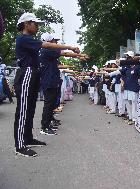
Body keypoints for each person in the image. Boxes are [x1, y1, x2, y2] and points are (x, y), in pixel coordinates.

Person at [14, 12, 80, 157]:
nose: (37, 26)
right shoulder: (23, 39)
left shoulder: (29, 40)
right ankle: (19, 145)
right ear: (26, 24)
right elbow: (47, 45)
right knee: (23, 110)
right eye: (35, 23)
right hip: (26, 74)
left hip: (33, 74)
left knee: (30, 109)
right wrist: (70, 47)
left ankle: (28, 138)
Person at [39, 33, 88, 136]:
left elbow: (63, 53)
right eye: (54, 41)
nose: (56, 43)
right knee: (48, 104)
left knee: (51, 104)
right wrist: (77, 54)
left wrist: (78, 56)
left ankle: (49, 122)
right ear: (48, 42)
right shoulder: (47, 51)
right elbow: (64, 53)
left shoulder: (47, 51)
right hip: (49, 81)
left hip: (51, 80)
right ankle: (44, 127)